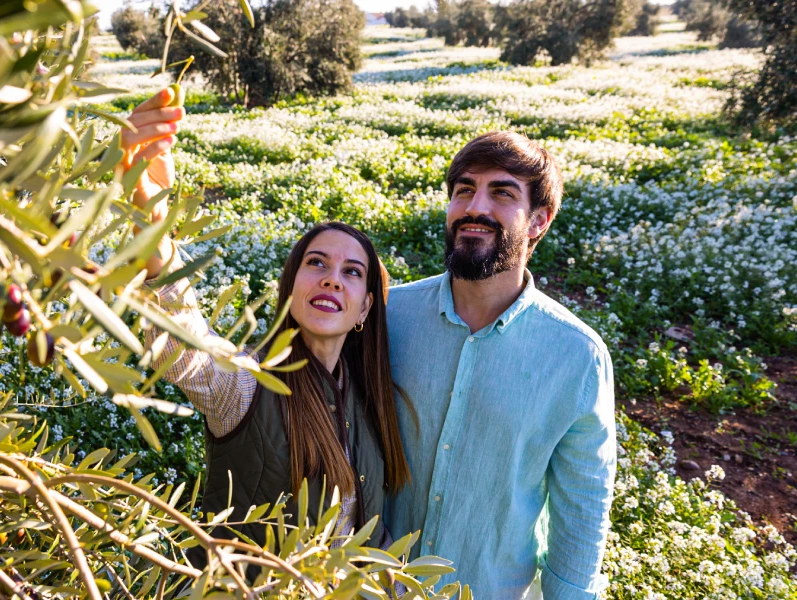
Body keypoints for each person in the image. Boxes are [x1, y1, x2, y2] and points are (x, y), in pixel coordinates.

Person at [118, 88, 410, 558]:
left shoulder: (366, 398)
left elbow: (367, 532)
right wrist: (153, 224)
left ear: (365, 309)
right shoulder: (247, 384)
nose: (332, 279)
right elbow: (186, 349)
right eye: (316, 264)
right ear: (290, 288)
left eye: (352, 272)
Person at [383, 131, 617, 600]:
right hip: (368, 586)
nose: (475, 207)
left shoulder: (577, 356)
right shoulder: (388, 315)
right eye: (464, 190)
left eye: (502, 192)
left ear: (538, 221)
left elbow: (583, 506)